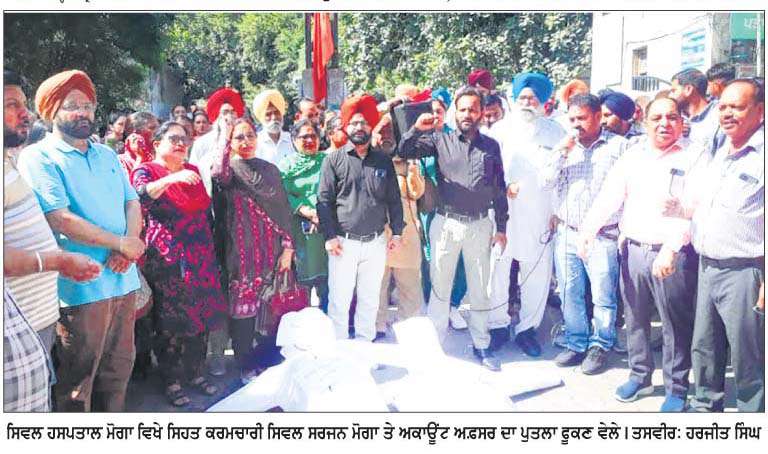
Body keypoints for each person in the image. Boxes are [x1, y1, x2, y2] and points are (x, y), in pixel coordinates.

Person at [18, 69, 144, 411]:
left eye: (87, 105)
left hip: (122, 278)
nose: (83, 112)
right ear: (51, 111)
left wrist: (129, 245)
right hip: (82, 286)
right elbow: (58, 218)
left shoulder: (106, 154)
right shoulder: (39, 157)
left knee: (118, 371)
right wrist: (119, 244)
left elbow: (132, 202)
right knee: (78, 384)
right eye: (72, 106)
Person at [580, 97, 705, 411]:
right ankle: (640, 376)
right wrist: (588, 231)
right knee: (635, 318)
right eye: (657, 118)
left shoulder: (696, 155)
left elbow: (695, 208)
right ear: (645, 122)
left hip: (673, 254)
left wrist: (672, 248)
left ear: (682, 122)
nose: (665, 124)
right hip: (633, 249)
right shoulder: (633, 155)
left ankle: (677, 389)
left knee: (675, 324)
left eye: (672, 117)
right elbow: (610, 195)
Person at [666, 79, 764, 412]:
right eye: (722, 107)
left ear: (760, 111)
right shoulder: (722, 151)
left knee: (748, 358)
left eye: (737, 107)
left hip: (746, 272)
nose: (727, 113)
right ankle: (705, 411)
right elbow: (708, 206)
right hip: (708, 266)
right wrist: (681, 210)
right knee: (705, 348)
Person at [399, 86, 508, 371]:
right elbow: (404, 150)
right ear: (455, 112)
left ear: (481, 113)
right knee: (440, 288)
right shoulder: (439, 140)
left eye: (473, 109)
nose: (467, 114)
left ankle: (481, 344)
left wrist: (501, 227)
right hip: (446, 224)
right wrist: (416, 128)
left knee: (480, 288)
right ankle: (435, 348)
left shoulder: (491, 147)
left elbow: (499, 188)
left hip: (480, 225)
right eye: (463, 109)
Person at [131, 121, 227, 406]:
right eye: (173, 139)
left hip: (200, 257)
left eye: (184, 140)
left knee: (201, 315)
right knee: (169, 321)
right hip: (168, 259)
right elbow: (139, 196)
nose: (181, 144)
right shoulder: (146, 171)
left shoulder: (192, 171)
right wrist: (171, 179)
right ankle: (171, 380)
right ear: (157, 143)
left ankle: (195, 373)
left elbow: (205, 211)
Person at [541, 93, 628, 375]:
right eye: (572, 119)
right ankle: (576, 341)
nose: (576, 124)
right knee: (569, 291)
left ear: (598, 117)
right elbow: (545, 181)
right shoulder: (565, 146)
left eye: (582, 118)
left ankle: (601, 344)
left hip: (603, 235)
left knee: (603, 294)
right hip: (568, 231)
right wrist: (561, 153)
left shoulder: (619, 147)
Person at [211, 118, 296, 382]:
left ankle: (270, 361)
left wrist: (288, 249)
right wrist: (224, 137)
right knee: (244, 315)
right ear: (230, 143)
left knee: (272, 312)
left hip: (272, 253)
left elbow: (284, 213)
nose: (246, 141)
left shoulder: (270, 170)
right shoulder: (229, 172)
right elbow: (217, 173)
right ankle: (246, 366)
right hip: (241, 257)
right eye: (239, 137)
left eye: (249, 135)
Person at [488, 72, 564, 357]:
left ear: (543, 102)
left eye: (533, 99)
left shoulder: (555, 132)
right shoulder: (498, 130)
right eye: (522, 98)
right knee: (498, 270)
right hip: (503, 214)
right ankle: (497, 326)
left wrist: (557, 212)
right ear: (514, 99)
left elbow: (562, 175)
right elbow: (486, 169)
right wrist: (502, 187)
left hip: (540, 212)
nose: (527, 103)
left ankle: (527, 329)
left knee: (537, 273)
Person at [317, 94, 404, 342]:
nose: (359, 127)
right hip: (343, 244)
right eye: (354, 123)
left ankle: (365, 348)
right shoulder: (333, 160)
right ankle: (339, 351)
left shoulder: (383, 161)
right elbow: (323, 201)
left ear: (371, 126)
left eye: (364, 123)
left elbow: (394, 200)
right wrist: (330, 237)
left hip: (376, 242)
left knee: (369, 299)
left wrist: (397, 233)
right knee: (340, 301)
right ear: (346, 126)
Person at [372, 114, 426, 339]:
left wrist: (412, 170)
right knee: (377, 284)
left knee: (409, 283)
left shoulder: (408, 160)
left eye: (390, 132)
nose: (386, 137)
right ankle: (377, 326)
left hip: (406, 231)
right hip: (377, 231)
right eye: (381, 132)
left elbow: (417, 192)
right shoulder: (368, 160)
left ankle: (410, 327)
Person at [278, 119, 329, 313]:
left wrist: (322, 213)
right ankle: (304, 325)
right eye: (304, 136)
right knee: (302, 282)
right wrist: (305, 210)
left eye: (313, 136)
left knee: (329, 281)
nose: (309, 140)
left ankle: (330, 321)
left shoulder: (328, 161)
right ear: (294, 140)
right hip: (299, 229)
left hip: (327, 228)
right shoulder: (286, 165)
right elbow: (282, 193)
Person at [189, 87, 245, 195]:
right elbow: (194, 172)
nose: (229, 116)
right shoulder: (202, 143)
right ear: (217, 117)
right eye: (225, 112)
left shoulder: (244, 140)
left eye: (233, 112)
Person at [668, 68, 720, 151]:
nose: (670, 96)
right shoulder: (676, 119)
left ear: (688, 89)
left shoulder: (718, 117)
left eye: (674, 91)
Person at [252, 89, 295, 165]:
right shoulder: (255, 143)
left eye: (277, 112)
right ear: (261, 117)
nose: (274, 117)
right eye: (268, 114)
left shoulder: (292, 140)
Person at [120, 111, 159, 175]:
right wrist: (140, 158)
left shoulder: (160, 156)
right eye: (152, 128)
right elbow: (134, 180)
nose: (157, 132)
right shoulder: (121, 161)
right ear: (135, 134)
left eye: (158, 128)